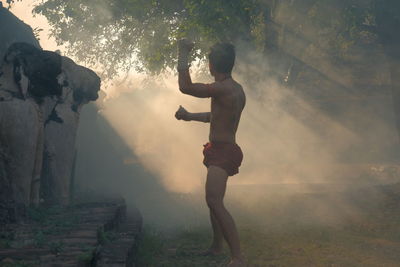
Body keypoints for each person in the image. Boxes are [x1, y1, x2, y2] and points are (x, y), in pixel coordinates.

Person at [175, 39, 246, 267]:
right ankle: (217, 246)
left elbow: (186, 87)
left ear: (211, 65)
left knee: (214, 201)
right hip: (219, 149)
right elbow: (215, 116)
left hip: (224, 151)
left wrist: (183, 53)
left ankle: (238, 258)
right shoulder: (234, 90)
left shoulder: (223, 88)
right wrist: (189, 117)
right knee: (213, 200)